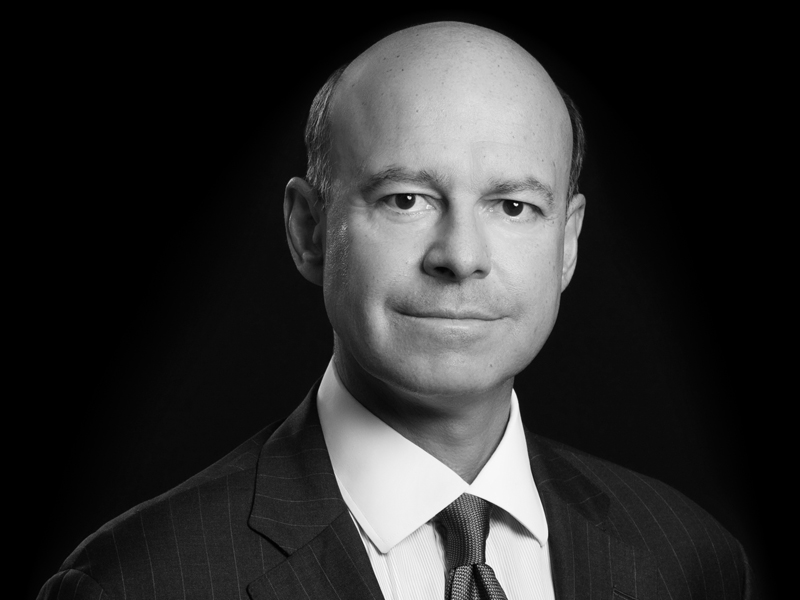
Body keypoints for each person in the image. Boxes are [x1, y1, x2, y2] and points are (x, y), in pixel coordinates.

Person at [38, 21, 756, 600]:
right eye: (405, 199)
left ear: (566, 244)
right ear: (309, 230)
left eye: (513, 206)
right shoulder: (135, 583)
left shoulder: (689, 561)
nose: (461, 256)